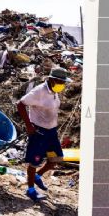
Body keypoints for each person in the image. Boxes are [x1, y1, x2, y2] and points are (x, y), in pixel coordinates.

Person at [17, 67, 72, 201]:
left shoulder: (54, 91)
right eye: (61, 82)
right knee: (34, 162)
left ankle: (38, 176)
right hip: (39, 132)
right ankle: (30, 190)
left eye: (64, 82)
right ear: (52, 80)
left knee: (56, 159)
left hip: (51, 133)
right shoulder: (39, 92)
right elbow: (20, 104)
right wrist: (29, 126)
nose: (63, 85)